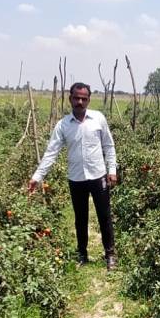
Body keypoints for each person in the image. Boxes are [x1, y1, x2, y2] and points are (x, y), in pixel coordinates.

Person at [28, 82, 118, 270]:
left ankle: (110, 255)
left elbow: (108, 146)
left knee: (104, 216)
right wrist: (37, 176)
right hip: (76, 178)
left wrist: (112, 170)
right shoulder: (63, 125)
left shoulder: (98, 119)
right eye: (76, 98)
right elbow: (51, 152)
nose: (80, 101)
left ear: (88, 100)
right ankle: (82, 254)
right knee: (80, 217)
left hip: (98, 175)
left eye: (84, 99)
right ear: (70, 98)